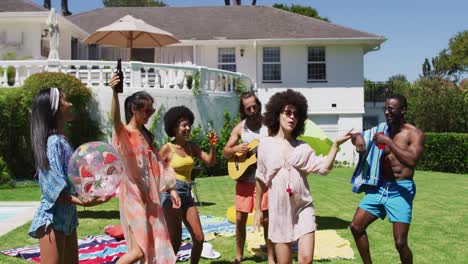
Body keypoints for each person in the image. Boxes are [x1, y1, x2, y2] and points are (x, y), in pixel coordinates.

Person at [253, 89, 352, 264]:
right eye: (288, 113)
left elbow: (323, 168)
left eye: (296, 115)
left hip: (303, 208)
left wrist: (335, 145)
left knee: (306, 260)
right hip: (279, 211)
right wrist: (258, 210)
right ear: (277, 114)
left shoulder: (303, 147)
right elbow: (260, 179)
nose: (292, 117)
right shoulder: (265, 145)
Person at [29, 88, 110, 264]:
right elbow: (53, 186)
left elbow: (75, 179)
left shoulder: (62, 140)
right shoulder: (54, 143)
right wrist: (84, 202)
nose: (70, 104)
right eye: (65, 100)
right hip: (52, 219)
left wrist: (95, 189)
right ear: (55, 109)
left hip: (68, 219)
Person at [108, 76, 181, 264]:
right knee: (138, 251)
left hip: (150, 198)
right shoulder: (125, 134)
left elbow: (160, 165)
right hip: (133, 198)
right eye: (147, 110)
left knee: (151, 249)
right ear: (134, 109)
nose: (150, 114)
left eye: (152, 110)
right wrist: (115, 94)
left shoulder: (146, 136)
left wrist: (172, 189)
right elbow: (115, 121)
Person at [349, 94, 424, 264]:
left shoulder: (414, 134)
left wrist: (389, 142)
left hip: (401, 190)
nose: (387, 112)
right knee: (356, 226)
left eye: (391, 108)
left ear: (403, 110)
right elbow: (356, 136)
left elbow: (411, 160)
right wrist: (358, 138)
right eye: (385, 108)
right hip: (380, 187)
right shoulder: (381, 129)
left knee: (400, 243)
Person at [159, 105, 218, 264]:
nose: (187, 128)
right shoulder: (167, 148)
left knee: (199, 238)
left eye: (188, 124)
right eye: (183, 125)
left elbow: (211, 162)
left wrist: (212, 146)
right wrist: (169, 189)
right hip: (171, 195)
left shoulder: (192, 146)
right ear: (174, 127)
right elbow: (155, 170)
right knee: (175, 242)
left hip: (187, 194)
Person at [223, 91, 274, 264]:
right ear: (243, 110)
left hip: (264, 180)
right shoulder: (240, 128)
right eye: (249, 108)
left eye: (255, 106)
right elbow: (225, 152)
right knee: (239, 219)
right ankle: (239, 256)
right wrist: (237, 148)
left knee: (266, 219)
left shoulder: (269, 125)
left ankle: (270, 256)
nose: (253, 110)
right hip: (244, 179)